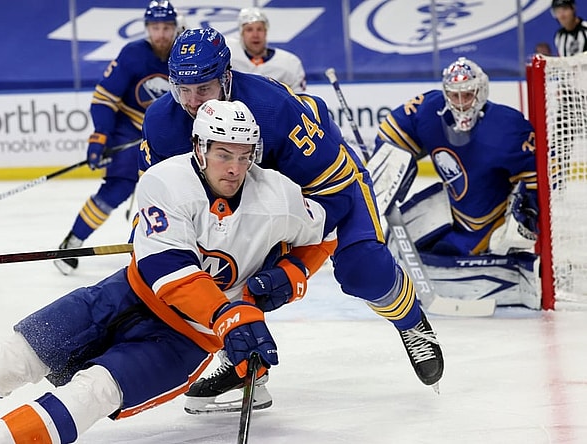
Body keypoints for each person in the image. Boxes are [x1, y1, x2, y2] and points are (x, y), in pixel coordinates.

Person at [0, 99, 337, 444]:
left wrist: (291, 276)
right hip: (125, 294)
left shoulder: (277, 196)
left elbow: (326, 233)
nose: (234, 167)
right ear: (199, 147)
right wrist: (230, 316)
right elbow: (169, 270)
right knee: (11, 357)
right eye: (223, 153)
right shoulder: (165, 180)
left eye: (243, 155)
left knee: (92, 392)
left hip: (185, 339)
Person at [141, 27, 444, 415]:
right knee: (214, 267)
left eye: (204, 88)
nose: (193, 102)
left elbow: (332, 193)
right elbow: (161, 199)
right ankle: (244, 364)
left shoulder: (272, 109)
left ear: (226, 77)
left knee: (362, 270)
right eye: (183, 89)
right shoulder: (162, 121)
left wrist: (296, 267)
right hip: (255, 199)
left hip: (325, 185)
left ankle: (410, 320)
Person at [375, 57, 539, 308]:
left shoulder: (507, 126)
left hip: (488, 222)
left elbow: (535, 177)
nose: (461, 103)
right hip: (451, 209)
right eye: (454, 95)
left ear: (481, 91)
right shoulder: (430, 109)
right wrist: (390, 165)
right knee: (393, 247)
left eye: (468, 95)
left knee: (443, 256)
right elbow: (391, 132)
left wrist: (527, 214)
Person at [53, 0, 178, 275]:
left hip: (169, 132)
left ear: (175, 27)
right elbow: (104, 98)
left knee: (179, 191)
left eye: (166, 27)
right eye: (155, 27)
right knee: (117, 188)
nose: (161, 34)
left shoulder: (184, 54)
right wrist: (101, 134)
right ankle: (73, 241)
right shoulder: (133, 54)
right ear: (147, 28)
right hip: (130, 127)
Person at [227, 7, 306, 93]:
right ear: (241, 34)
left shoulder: (290, 63)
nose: (255, 35)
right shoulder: (229, 57)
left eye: (259, 29)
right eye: (249, 30)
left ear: (266, 32)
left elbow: (299, 98)